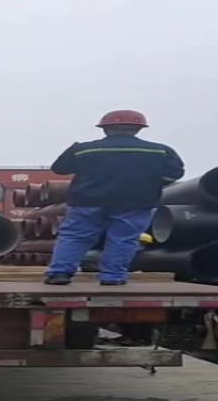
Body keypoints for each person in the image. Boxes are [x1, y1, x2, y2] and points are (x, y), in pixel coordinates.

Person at [44, 110, 184, 286]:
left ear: (104, 129)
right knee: (123, 239)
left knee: (75, 236)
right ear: (139, 129)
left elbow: (59, 168)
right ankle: (113, 277)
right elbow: (174, 174)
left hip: (87, 201)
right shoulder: (161, 151)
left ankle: (59, 274)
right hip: (135, 202)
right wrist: (148, 184)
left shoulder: (82, 150)